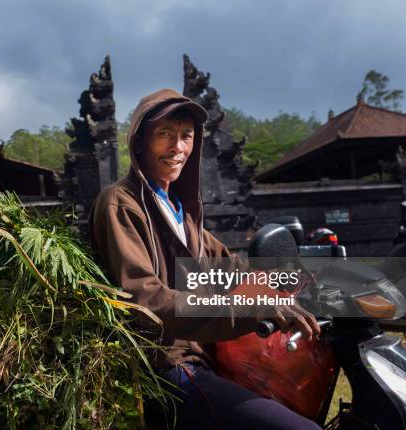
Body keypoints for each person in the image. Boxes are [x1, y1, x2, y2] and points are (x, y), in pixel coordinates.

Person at [88, 88, 321, 429]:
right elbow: (144, 300)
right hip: (166, 368)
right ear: (140, 141)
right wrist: (251, 310)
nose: (177, 147)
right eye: (165, 134)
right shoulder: (120, 205)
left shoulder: (183, 215)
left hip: (206, 358)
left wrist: (304, 282)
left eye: (186, 136)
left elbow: (234, 271)